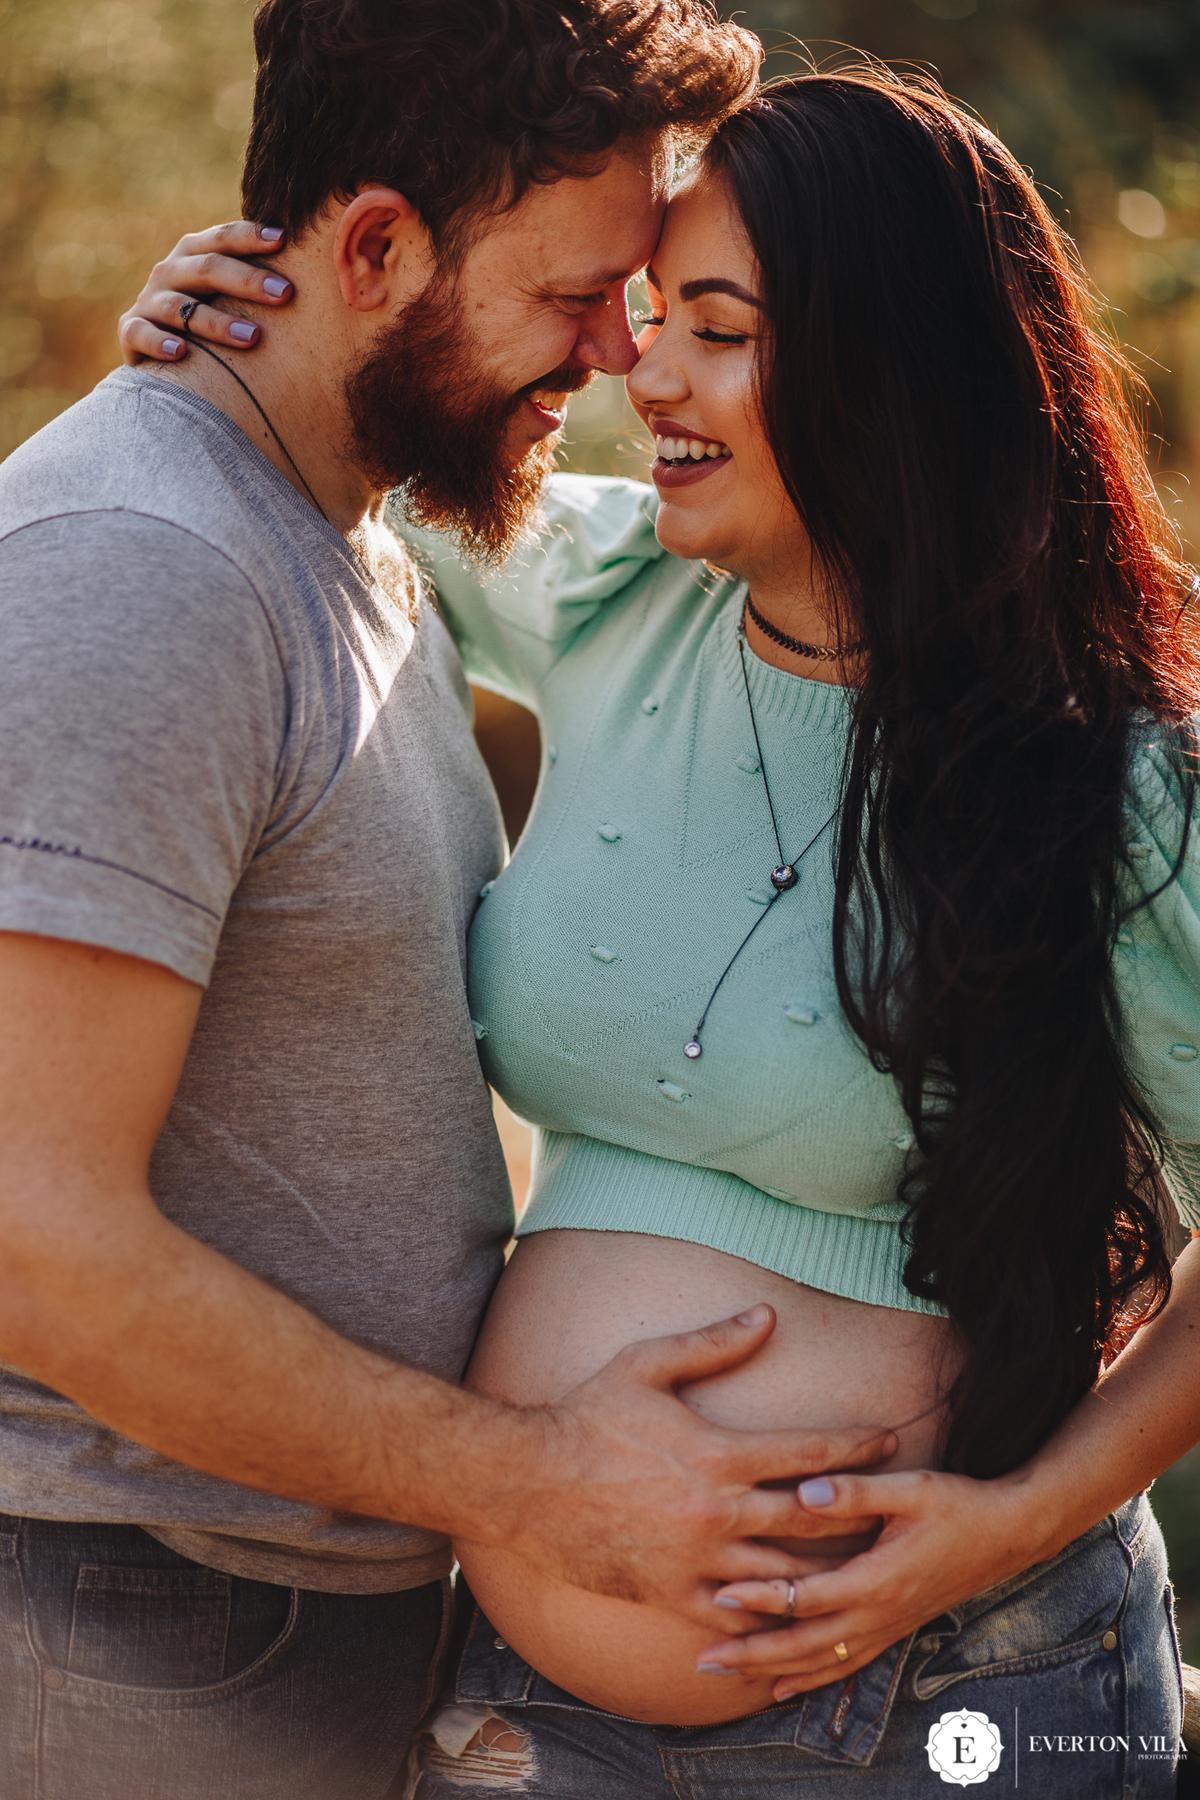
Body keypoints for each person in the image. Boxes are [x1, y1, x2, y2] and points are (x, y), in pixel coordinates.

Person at [135, 65, 1200, 1795]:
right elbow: (324, 440)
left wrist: (1004, 1521)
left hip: (962, 1691)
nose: (639, 375)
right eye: (640, 320)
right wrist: (227, 313)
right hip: (534, 1719)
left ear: (895, 365)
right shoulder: (609, 590)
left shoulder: (1110, 778)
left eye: (718, 329)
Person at [0, 11, 900, 1797]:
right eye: (582, 295)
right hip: (137, 1613)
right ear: (375, 249)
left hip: (288, 1608)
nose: (619, 356)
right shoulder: (147, 567)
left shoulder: (344, 533)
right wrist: (527, 1477)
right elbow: (34, 1237)